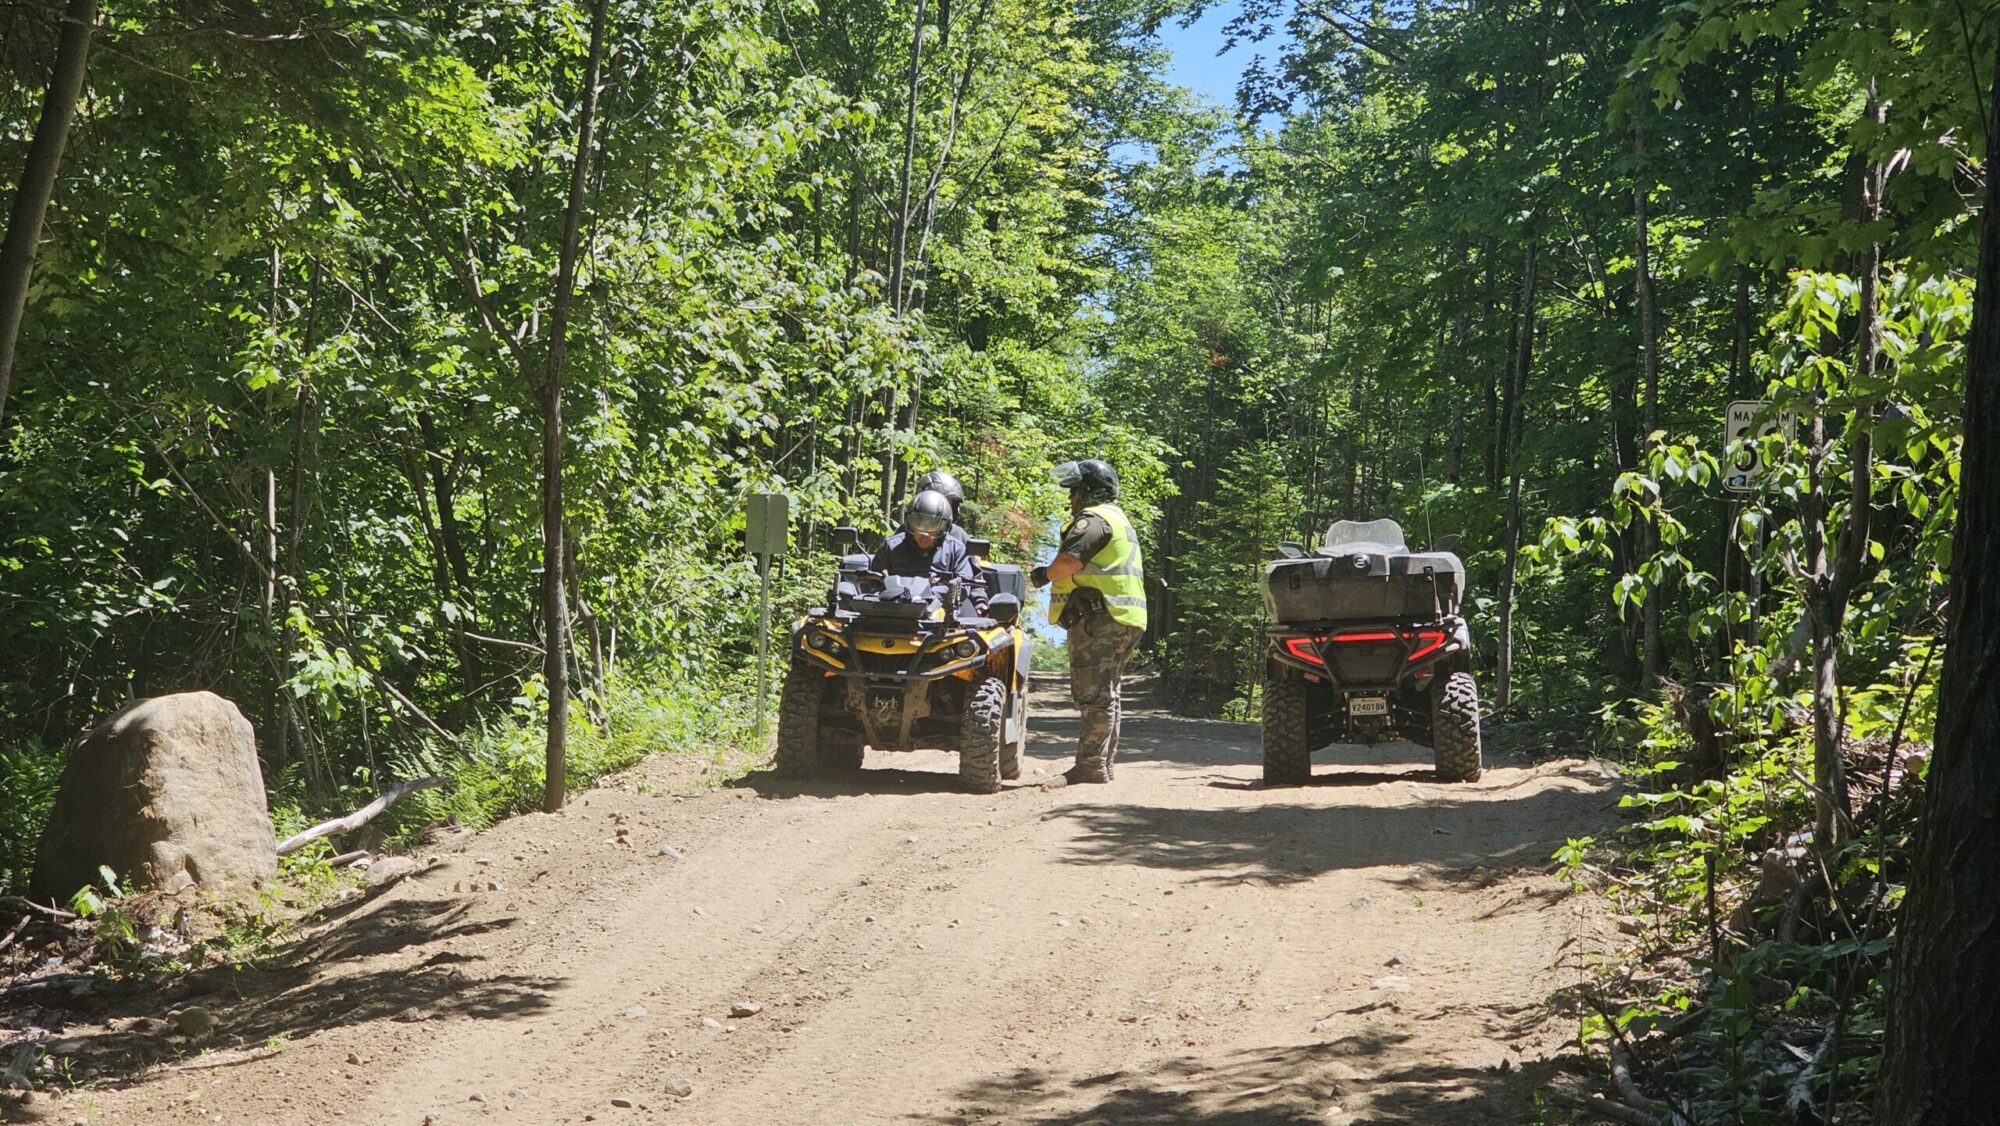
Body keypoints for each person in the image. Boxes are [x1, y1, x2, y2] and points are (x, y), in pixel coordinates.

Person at [1029, 459, 1147, 784]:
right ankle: (1102, 764)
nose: (1071, 499)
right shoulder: (1118, 519)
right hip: (1123, 616)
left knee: (1094, 693)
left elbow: (1069, 561)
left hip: (1102, 618)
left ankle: (1090, 766)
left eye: (1075, 492)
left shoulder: (1093, 520)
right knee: (1108, 692)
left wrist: (1044, 574)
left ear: (1089, 492)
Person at [873, 489, 977, 587]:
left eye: (933, 527)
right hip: (895, 599)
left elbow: (965, 584)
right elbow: (871, 584)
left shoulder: (956, 550)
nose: (925, 534)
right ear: (909, 522)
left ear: (945, 527)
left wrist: (941, 592)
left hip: (940, 600)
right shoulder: (890, 547)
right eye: (918, 525)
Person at [915, 469, 970, 546]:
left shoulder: (959, 535)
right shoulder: (909, 533)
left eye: (952, 503)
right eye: (945, 503)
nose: (949, 509)